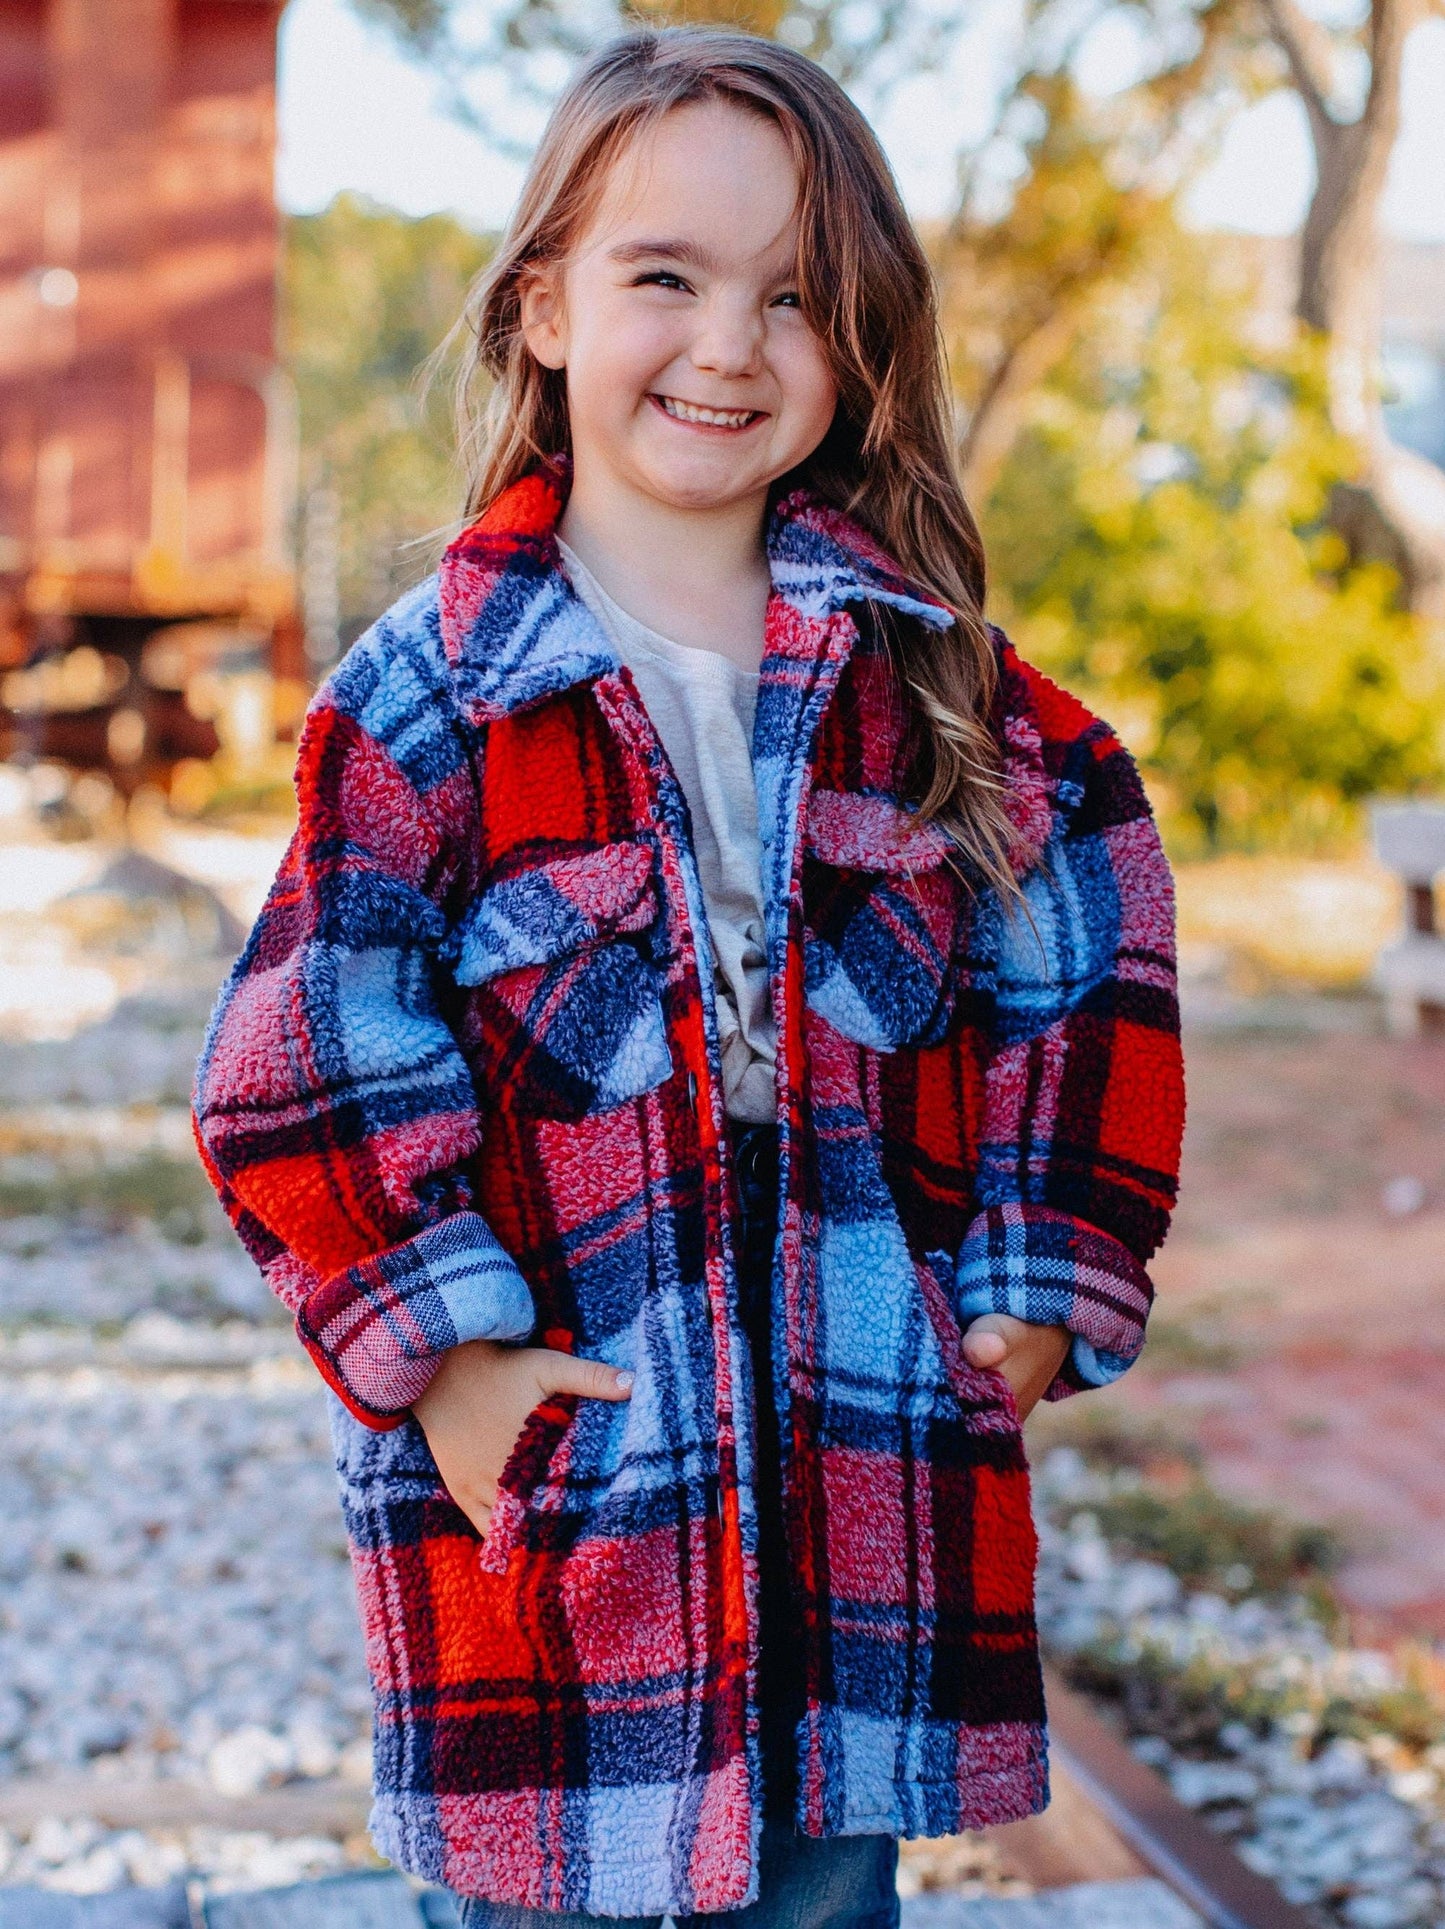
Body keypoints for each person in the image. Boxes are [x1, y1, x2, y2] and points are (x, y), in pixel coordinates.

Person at [193, 26, 1185, 1927]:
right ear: (546, 307)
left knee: (821, 1879)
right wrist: (454, 1363)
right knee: (537, 1881)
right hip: (576, 1410)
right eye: (669, 278)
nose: (730, 345)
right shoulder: (431, 697)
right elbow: (298, 1046)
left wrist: (1042, 1277)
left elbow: (1088, 945)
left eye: (796, 296)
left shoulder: (939, 687)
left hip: (863, 1408)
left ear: (858, 346)